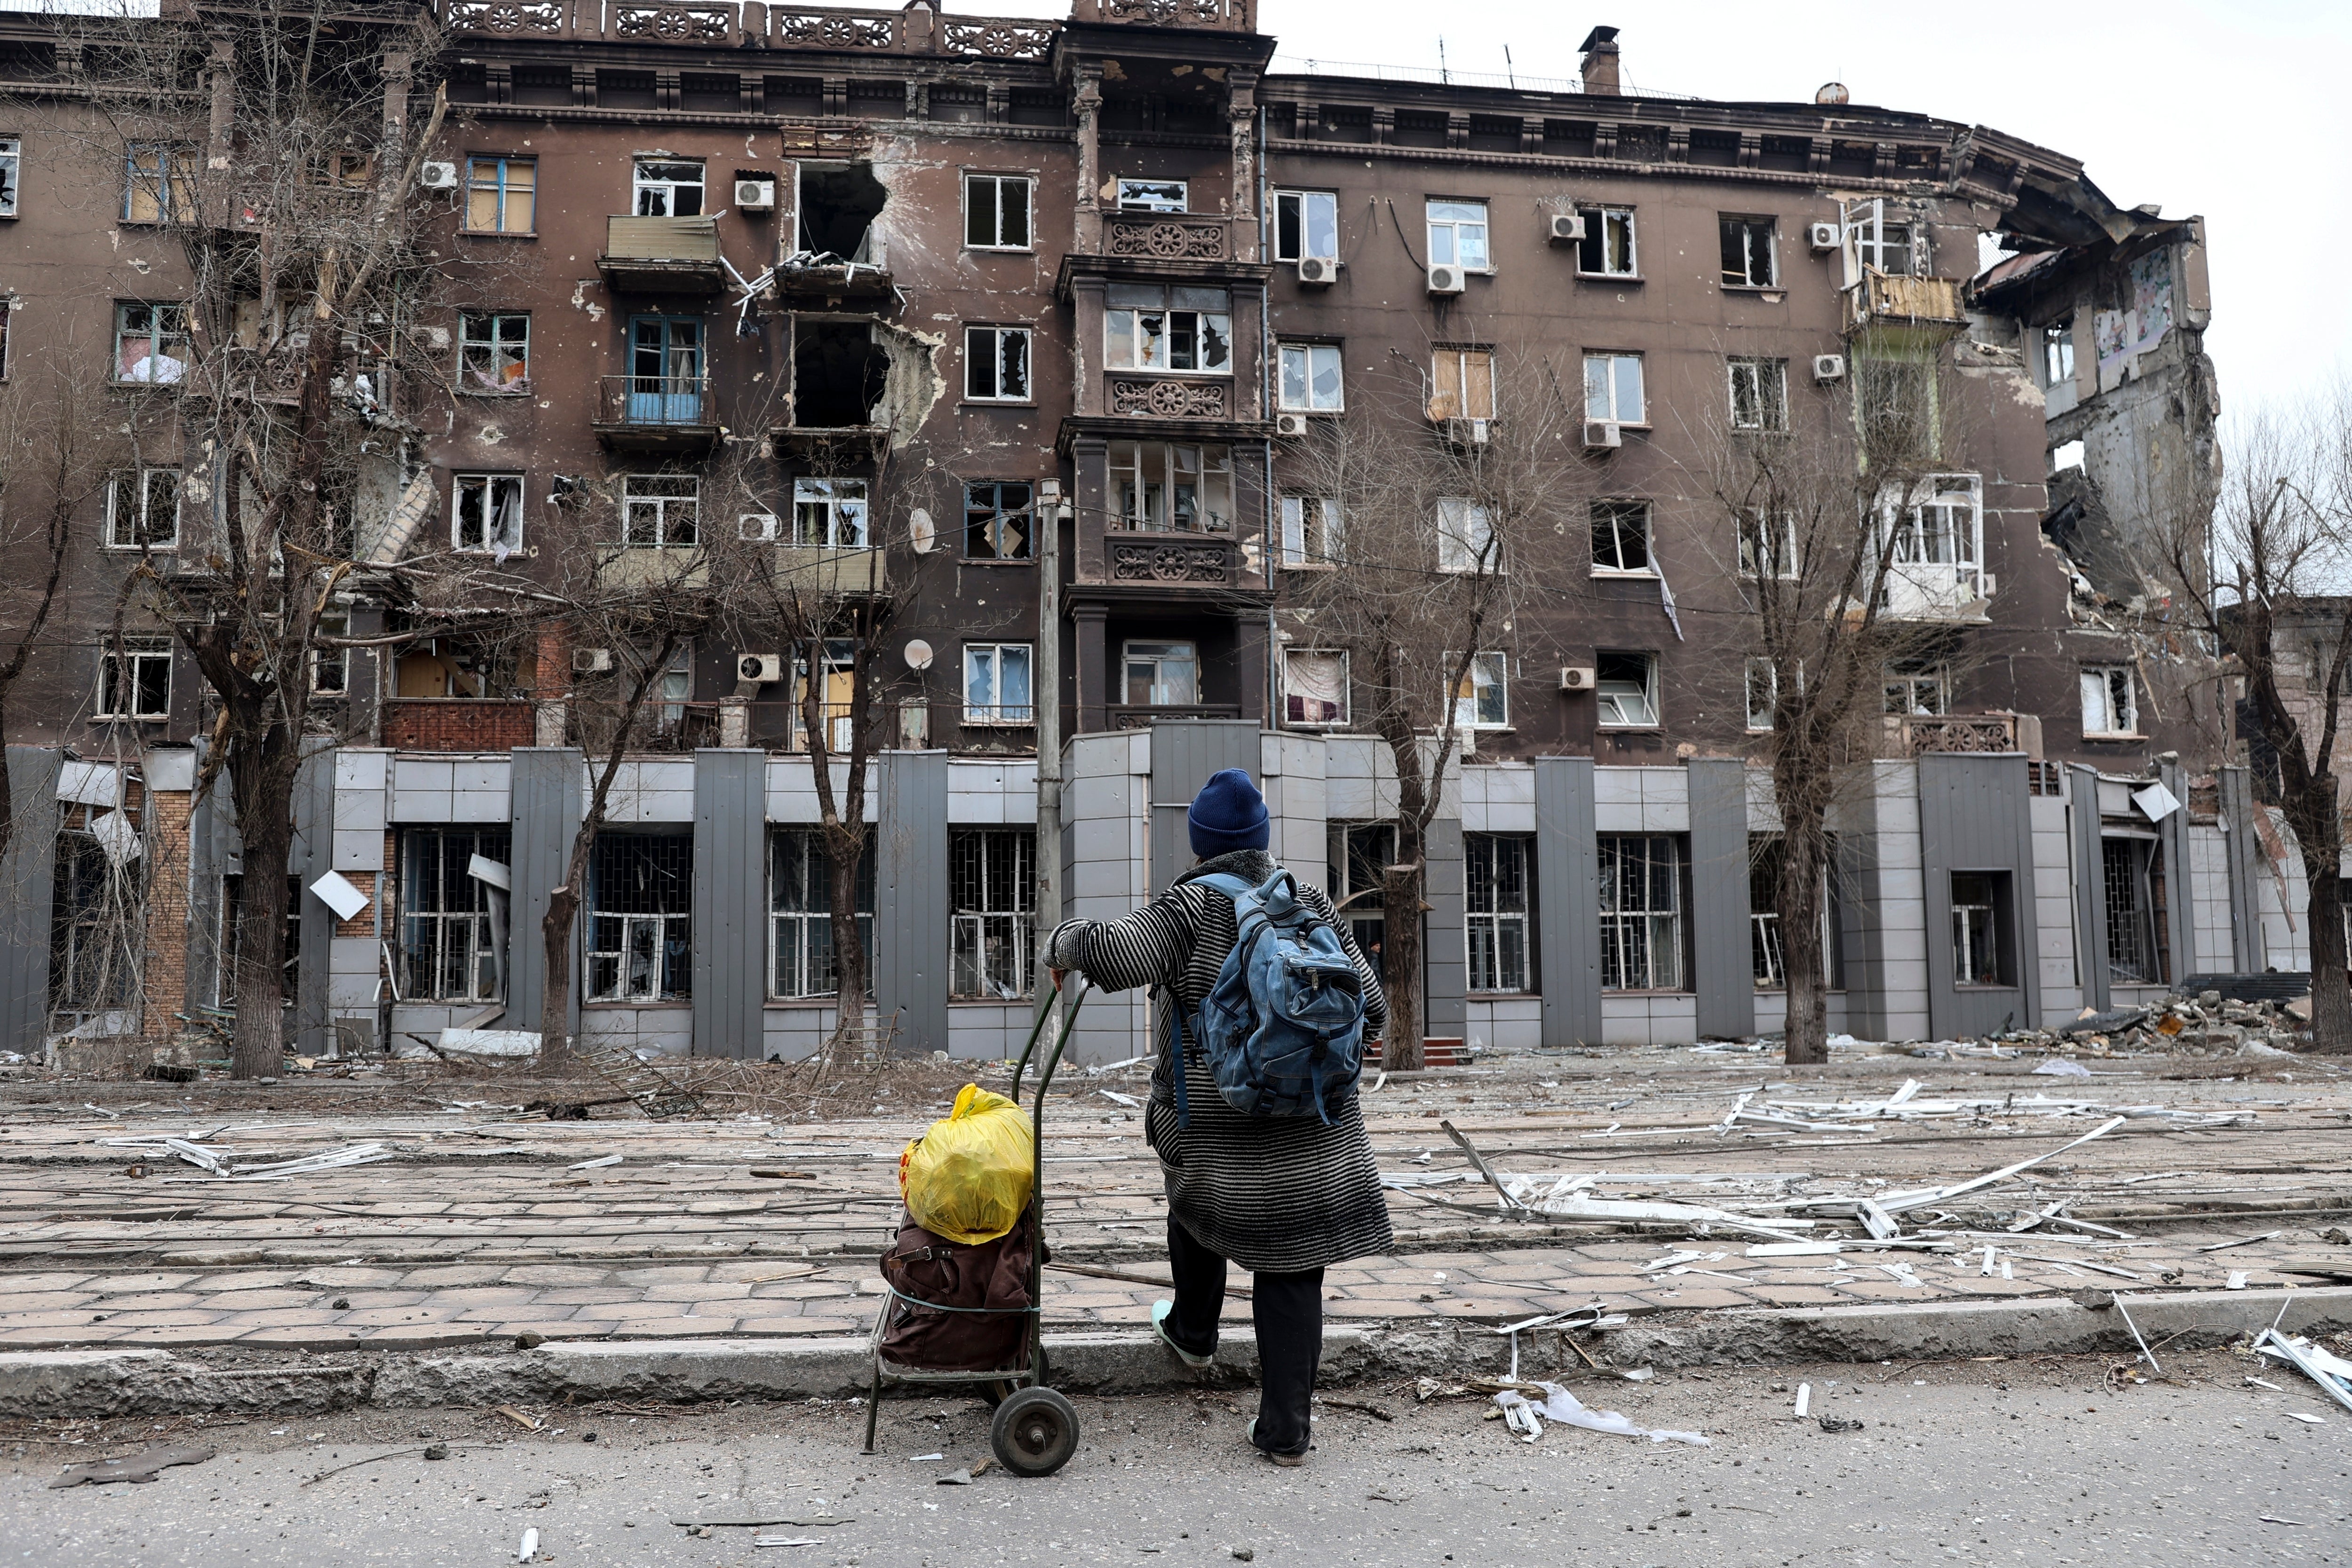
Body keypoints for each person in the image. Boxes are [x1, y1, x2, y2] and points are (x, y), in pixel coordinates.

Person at [1045, 768, 1388, 1466]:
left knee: (1193, 1203)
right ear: (1262, 841)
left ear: (1200, 843)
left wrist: (1062, 941)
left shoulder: (1189, 908)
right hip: (1319, 1129)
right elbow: (1374, 1007)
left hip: (1218, 1130)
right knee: (1293, 1267)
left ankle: (1194, 1332)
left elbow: (1112, 951)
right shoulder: (1308, 901)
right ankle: (1286, 1431)